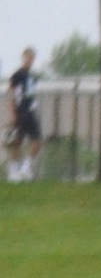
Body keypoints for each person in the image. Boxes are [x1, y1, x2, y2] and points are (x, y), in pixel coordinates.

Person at [6, 48, 41, 183]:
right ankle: (13, 170)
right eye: (28, 57)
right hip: (20, 111)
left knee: (37, 140)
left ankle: (26, 167)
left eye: (32, 58)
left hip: (30, 111)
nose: (30, 60)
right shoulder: (17, 75)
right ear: (23, 57)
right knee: (16, 141)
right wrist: (12, 113)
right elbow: (11, 94)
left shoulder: (31, 76)